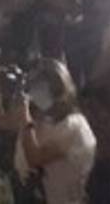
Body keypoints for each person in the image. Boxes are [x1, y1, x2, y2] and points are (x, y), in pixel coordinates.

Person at [10, 58, 95, 204]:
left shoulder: (74, 126)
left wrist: (24, 117)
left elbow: (35, 158)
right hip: (28, 194)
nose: (34, 93)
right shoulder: (38, 117)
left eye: (41, 86)